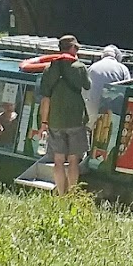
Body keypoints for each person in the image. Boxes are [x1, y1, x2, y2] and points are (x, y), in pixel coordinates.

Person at [37, 34, 91, 195]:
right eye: (77, 48)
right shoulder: (79, 67)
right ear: (73, 48)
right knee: (74, 160)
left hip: (55, 122)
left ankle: (61, 194)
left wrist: (44, 123)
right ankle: (72, 195)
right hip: (75, 120)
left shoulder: (49, 69)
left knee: (58, 160)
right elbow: (87, 86)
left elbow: (45, 98)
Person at [85, 44, 131, 124]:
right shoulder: (122, 68)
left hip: (92, 107)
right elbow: (128, 88)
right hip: (113, 111)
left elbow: (85, 88)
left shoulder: (92, 67)